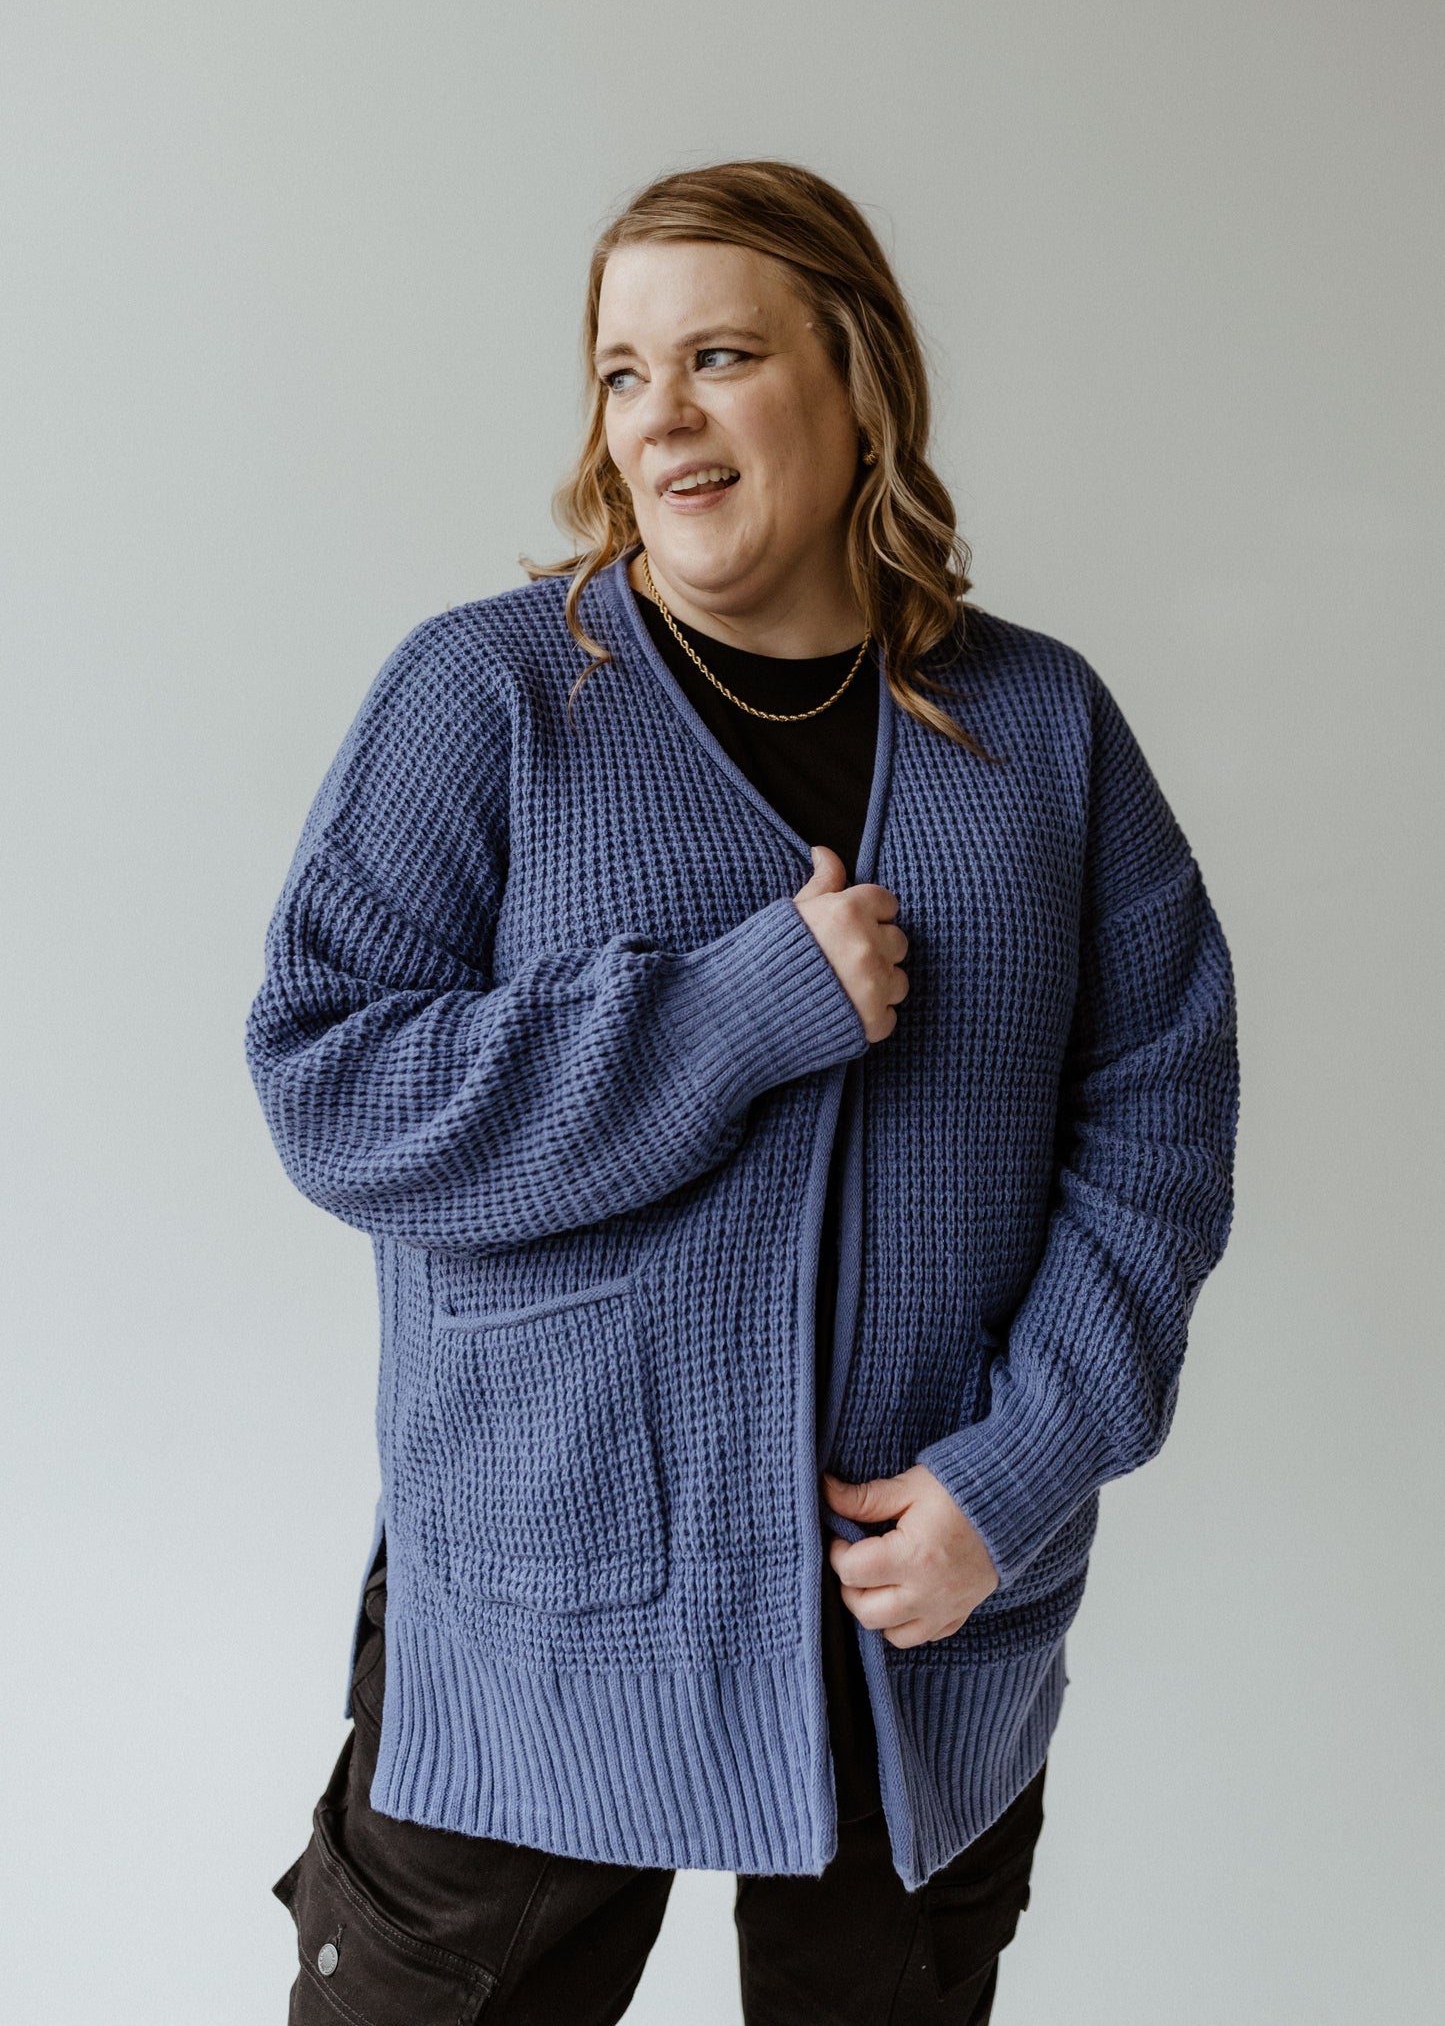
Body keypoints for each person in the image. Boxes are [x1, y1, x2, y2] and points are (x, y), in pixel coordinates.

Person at [247, 158, 1239, 2024]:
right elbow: (328, 1078)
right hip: (549, 1601)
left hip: (912, 1607)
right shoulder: (494, 698)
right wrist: (725, 1015)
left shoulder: (1039, 729)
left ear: (858, 382)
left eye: (717, 355)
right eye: (622, 372)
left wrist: (1010, 1481)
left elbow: (1158, 1133)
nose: (662, 418)